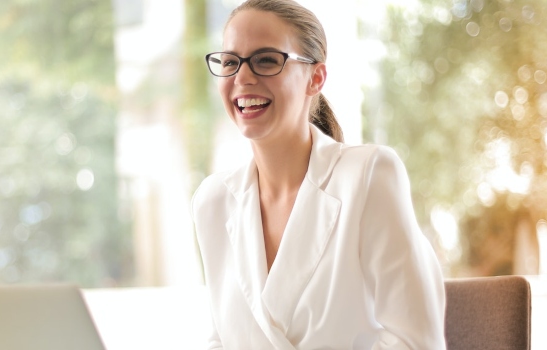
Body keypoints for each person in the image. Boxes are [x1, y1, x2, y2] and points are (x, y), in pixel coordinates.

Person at [191, 0, 446, 349]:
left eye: (266, 60)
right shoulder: (213, 200)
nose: (242, 78)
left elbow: (415, 342)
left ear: (316, 77)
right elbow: (220, 338)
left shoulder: (369, 176)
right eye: (231, 62)